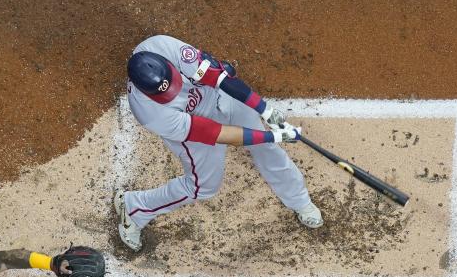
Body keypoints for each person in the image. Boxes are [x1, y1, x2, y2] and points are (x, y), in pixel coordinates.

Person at [115, 34, 323, 252]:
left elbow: (221, 78)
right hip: (195, 129)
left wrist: (266, 111)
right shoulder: (151, 114)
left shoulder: (163, 46)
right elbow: (218, 133)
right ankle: (135, 207)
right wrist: (275, 135)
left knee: (266, 147)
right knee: (202, 187)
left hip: (217, 94)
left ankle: (300, 201)